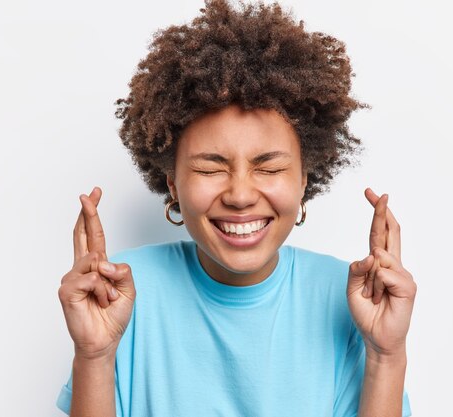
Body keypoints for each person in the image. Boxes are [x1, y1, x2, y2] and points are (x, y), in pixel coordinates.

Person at [56, 0, 417, 416]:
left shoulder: (351, 298)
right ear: (172, 182)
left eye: (270, 167)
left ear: (304, 179)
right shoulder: (120, 294)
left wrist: (386, 355)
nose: (240, 195)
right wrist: (94, 356)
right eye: (211, 167)